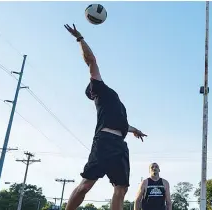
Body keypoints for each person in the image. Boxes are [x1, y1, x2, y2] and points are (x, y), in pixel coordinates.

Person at [63, 24, 147, 210]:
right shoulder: (99, 90)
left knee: (121, 187)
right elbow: (91, 61)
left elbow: (122, 123)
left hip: (119, 144)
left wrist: (134, 130)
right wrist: (80, 38)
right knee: (86, 185)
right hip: (105, 141)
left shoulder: (113, 104)